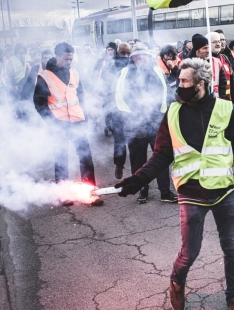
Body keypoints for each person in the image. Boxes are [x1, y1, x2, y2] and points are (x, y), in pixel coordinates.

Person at [114, 58, 234, 310]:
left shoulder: (227, 110)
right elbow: (161, 155)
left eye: (183, 81)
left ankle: (233, 295)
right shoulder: (172, 112)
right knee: (189, 253)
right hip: (191, 194)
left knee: (232, 248)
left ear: (200, 84)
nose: (178, 85)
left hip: (224, 192)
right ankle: (177, 284)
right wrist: (137, 180)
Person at [33, 43, 103, 207]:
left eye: (71, 58)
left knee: (86, 157)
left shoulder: (74, 73)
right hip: (59, 124)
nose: (69, 61)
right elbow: (39, 103)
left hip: (77, 122)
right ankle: (63, 195)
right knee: (61, 159)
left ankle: (90, 193)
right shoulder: (45, 76)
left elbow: (80, 97)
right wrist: (52, 121)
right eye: (66, 59)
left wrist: (84, 116)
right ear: (57, 57)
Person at [114, 43, 178, 204]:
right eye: (138, 56)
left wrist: (164, 116)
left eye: (144, 56)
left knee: (161, 157)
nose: (141, 59)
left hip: (156, 122)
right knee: (137, 159)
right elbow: (119, 97)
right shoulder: (125, 72)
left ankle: (165, 191)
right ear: (133, 58)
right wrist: (131, 116)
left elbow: (166, 94)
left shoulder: (157, 71)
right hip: (134, 123)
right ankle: (142, 189)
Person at [107, 43, 131, 179]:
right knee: (119, 140)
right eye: (123, 54)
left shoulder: (133, 67)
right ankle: (119, 165)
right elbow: (107, 90)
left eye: (127, 54)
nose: (125, 57)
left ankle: (137, 172)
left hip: (131, 110)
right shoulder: (111, 66)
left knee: (134, 142)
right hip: (117, 109)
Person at [187, 34, 228, 99]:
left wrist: (222, 98)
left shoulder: (216, 62)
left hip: (215, 102)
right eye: (205, 48)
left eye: (208, 47)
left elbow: (223, 83)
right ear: (197, 52)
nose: (208, 50)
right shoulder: (187, 65)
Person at [209, 31, 234, 105]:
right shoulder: (207, 61)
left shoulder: (224, 58)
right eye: (214, 42)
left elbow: (232, 82)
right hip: (216, 103)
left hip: (228, 101)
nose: (218, 44)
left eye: (219, 41)